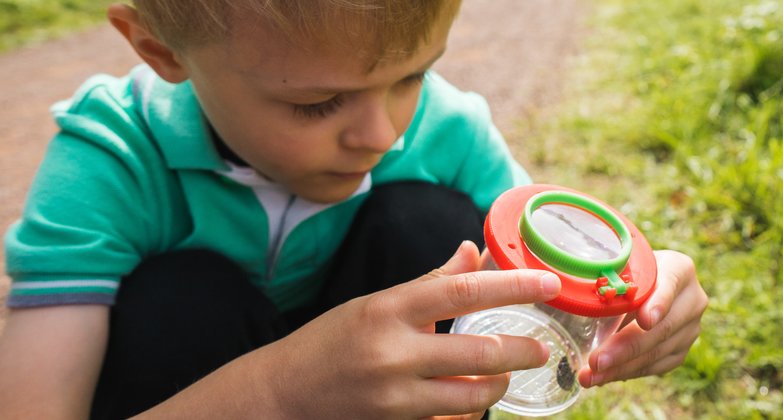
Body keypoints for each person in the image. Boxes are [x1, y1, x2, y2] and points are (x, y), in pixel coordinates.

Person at [0, 1, 709, 418]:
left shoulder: (446, 130)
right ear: (160, 50)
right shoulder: (111, 161)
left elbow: (553, 265)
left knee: (433, 226)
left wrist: (637, 298)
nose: (384, 134)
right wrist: (283, 391)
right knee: (178, 298)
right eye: (317, 102)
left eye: (412, 77)